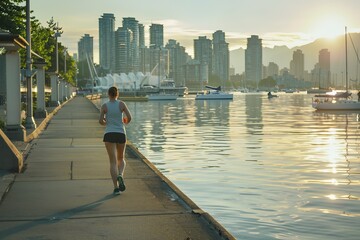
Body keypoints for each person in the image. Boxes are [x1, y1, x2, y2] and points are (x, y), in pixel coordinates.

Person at [99, 86, 132, 195]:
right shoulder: (121, 104)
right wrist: (125, 122)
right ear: (117, 94)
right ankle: (120, 175)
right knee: (121, 158)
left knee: (112, 162)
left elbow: (100, 121)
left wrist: (106, 122)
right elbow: (129, 117)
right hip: (120, 133)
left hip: (109, 134)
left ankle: (115, 187)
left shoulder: (104, 106)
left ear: (108, 94)